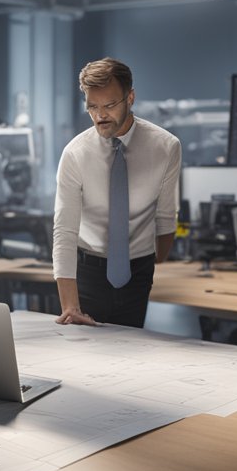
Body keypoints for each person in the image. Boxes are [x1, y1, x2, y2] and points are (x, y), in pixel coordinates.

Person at [52, 57, 181, 328]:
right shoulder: (75, 154)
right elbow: (64, 231)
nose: (100, 116)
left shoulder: (166, 147)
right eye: (93, 107)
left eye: (110, 105)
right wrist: (70, 306)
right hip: (89, 271)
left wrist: (155, 259)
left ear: (130, 97)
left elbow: (166, 217)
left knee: (129, 359)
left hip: (138, 273)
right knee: (83, 358)